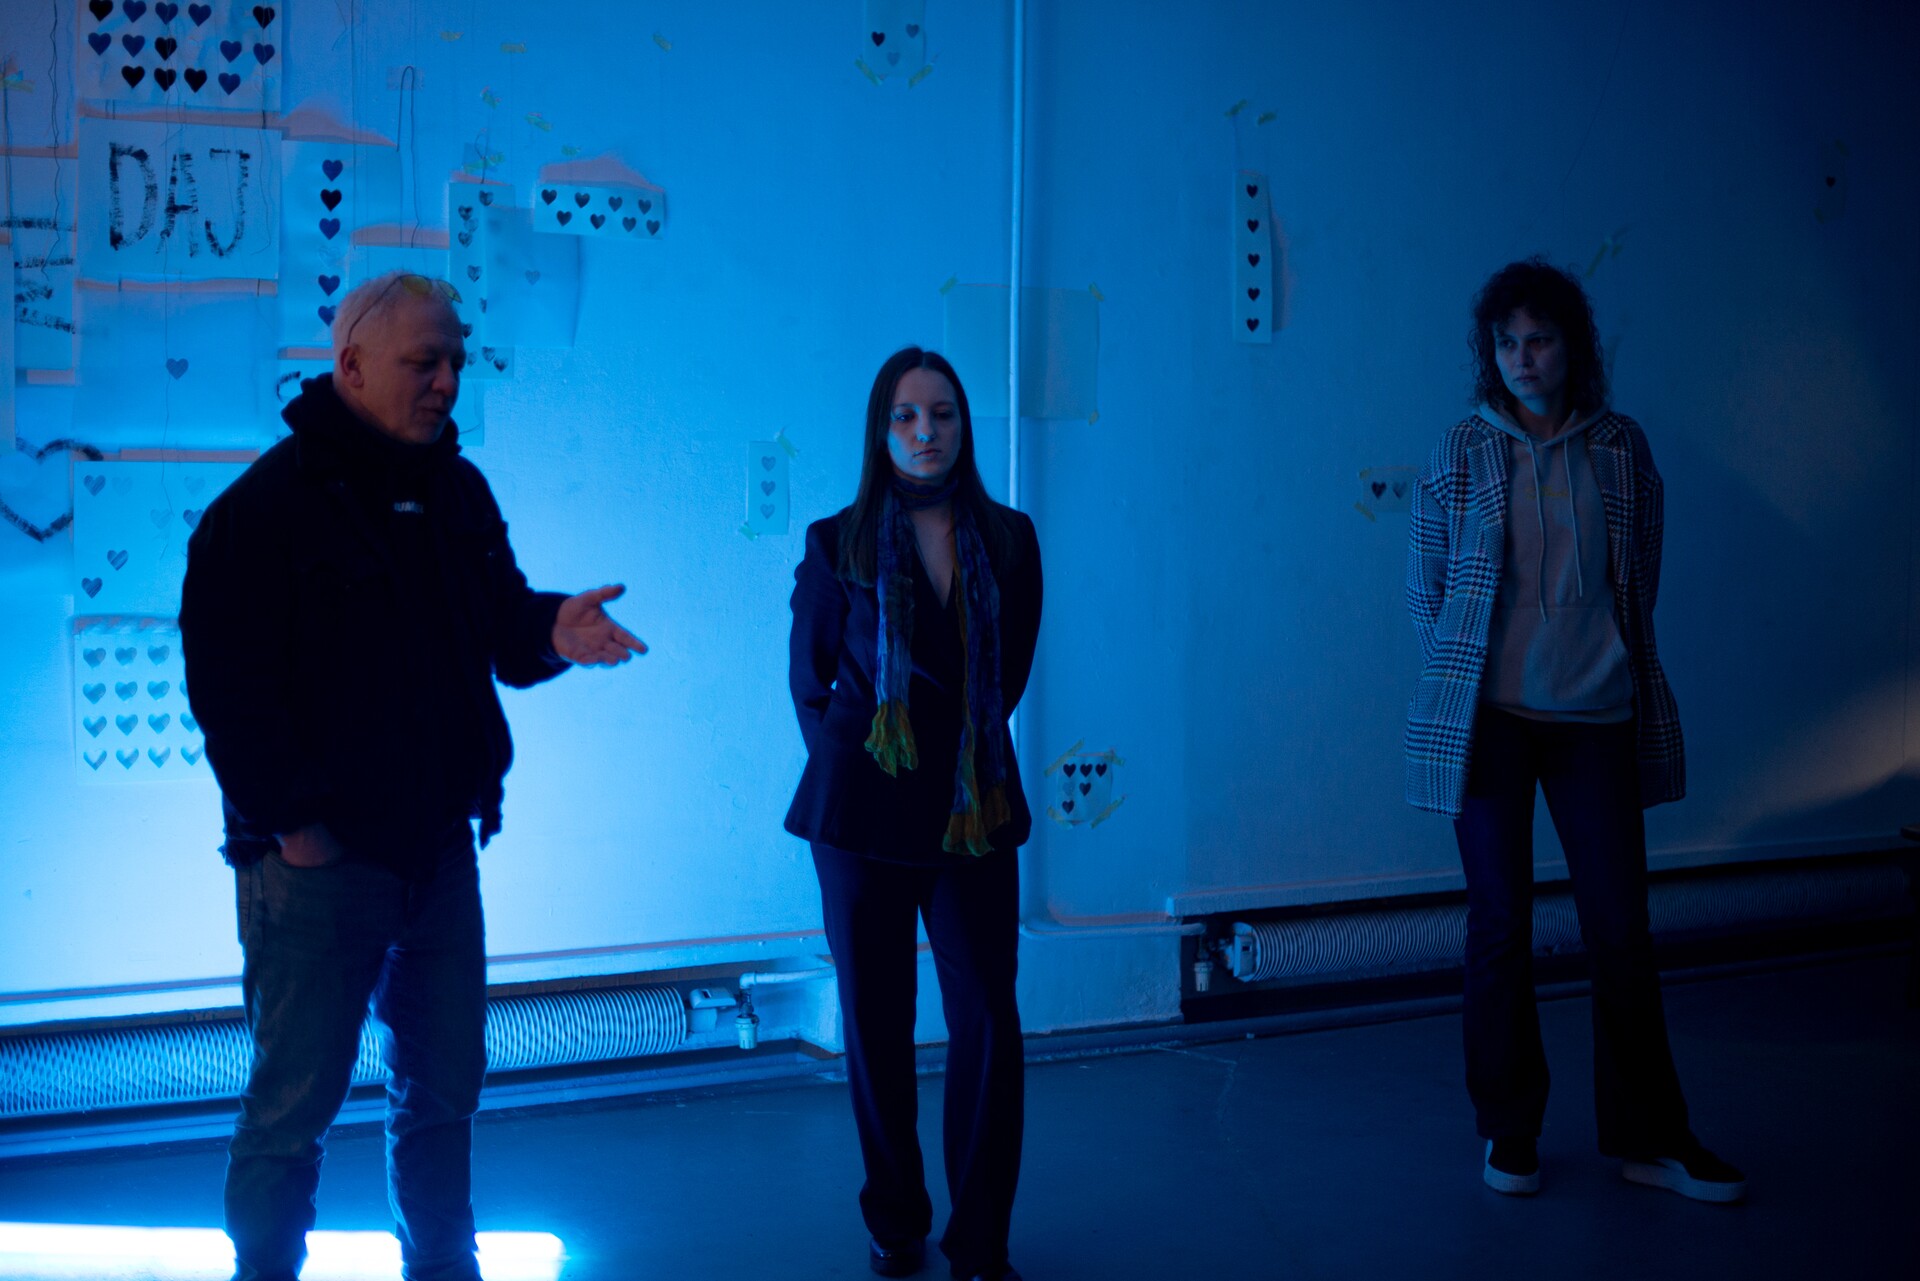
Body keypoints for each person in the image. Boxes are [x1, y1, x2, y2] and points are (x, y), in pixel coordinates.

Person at [179, 270, 647, 1281]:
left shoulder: (456, 492)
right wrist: (299, 831)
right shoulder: (261, 513)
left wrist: (554, 629)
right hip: (317, 871)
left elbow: (502, 628)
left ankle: (443, 1269)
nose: (446, 382)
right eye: (423, 362)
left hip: (438, 855)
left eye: (455, 364)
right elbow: (229, 694)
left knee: (442, 1094)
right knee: (291, 1111)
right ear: (351, 366)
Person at [1403, 258, 1744, 1203]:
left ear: (1573, 347)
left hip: (1596, 716)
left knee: (1621, 927)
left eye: (1540, 340)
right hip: (1491, 723)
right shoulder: (1462, 449)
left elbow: (1637, 581)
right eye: (1506, 342)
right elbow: (1426, 589)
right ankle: (1509, 1129)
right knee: (1500, 924)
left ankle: (1649, 1136)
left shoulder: (1621, 448)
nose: (1523, 358)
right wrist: (1467, 679)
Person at [786, 347, 1043, 1281]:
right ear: (881, 429)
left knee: (988, 1017)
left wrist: (953, 759)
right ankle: (895, 1219)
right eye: (905, 415)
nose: (925, 431)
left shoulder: (1009, 538)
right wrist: (868, 766)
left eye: (942, 413)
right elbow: (809, 681)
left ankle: (980, 1241)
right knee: (876, 1019)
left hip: (973, 810)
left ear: (964, 424)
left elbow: (1008, 676)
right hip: (861, 816)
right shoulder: (838, 540)